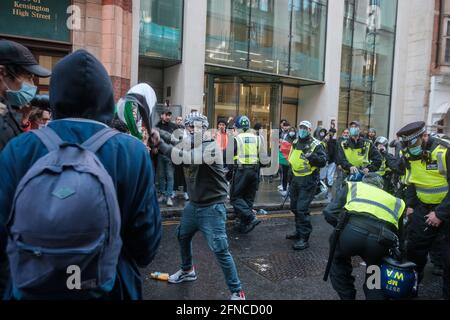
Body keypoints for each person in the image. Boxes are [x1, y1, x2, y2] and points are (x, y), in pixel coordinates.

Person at [0, 50, 162, 300]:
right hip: (112, 289)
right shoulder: (132, 153)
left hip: (32, 289)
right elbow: (146, 248)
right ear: (106, 99)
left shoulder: (19, 150)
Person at [157, 112, 245, 300]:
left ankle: (237, 291)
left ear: (205, 129)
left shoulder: (210, 147)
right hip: (194, 205)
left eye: (197, 127)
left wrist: (160, 145)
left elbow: (186, 158)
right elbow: (174, 139)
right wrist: (157, 132)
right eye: (190, 127)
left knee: (220, 249)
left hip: (212, 207)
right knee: (182, 235)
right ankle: (188, 270)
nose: (193, 130)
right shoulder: (189, 143)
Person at [0, 39, 52, 300]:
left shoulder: (9, 110)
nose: (31, 83)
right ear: (2, 73)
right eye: (26, 75)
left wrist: (22, 120)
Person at [323, 173, 406, 300]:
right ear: (381, 187)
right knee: (374, 273)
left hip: (351, 235)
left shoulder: (353, 186)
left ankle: (347, 296)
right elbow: (399, 236)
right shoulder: (397, 202)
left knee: (338, 260)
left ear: (364, 182)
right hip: (379, 243)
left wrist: (343, 228)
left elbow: (329, 212)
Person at [395, 121, 450, 300]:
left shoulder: (444, 151)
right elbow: (411, 182)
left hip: (446, 210)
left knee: (448, 258)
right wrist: (410, 205)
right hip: (422, 208)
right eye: (406, 145)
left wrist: (440, 213)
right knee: (414, 251)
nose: (410, 149)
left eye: (413, 144)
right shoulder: (408, 153)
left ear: (424, 136)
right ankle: (411, 291)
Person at [286, 121, 327, 250]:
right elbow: (292, 159)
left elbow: (322, 161)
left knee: (302, 209)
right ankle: (298, 231)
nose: (302, 130)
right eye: (301, 127)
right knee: (294, 207)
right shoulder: (295, 142)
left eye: (305, 128)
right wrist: (290, 176)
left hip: (308, 180)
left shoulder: (316, 144)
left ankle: (304, 238)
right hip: (295, 179)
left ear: (309, 130)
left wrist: (311, 156)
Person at [230, 115, 262, 234]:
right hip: (254, 171)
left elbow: (228, 156)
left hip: (242, 171)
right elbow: (264, 158)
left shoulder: (236, 138)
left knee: (235, 197)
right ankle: (243, 225)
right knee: (248, 199)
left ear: (237, 127)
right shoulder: (257, 138)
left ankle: (250, 217)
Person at [335, 121, 382, 192]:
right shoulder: (343, 144)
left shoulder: (367, 144)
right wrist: (349, 166)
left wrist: (369, 169)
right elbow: (341, 159)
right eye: (352, 127)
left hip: (364, 176)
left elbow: (378, 159)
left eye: (355, 127)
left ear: (360, 130)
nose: (353, 129)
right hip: (348, 175)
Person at [156, 110, 178, 206]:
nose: (168, 117)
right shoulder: (157, 125)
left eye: (170, 115)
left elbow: (177, 140)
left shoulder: (174, 126)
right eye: (166, 115)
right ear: (162, 115)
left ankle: (169, 196)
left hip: (170, 155)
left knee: (170, 176)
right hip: (160, 154)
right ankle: (162, 194)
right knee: (160, 176)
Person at [279, 127, 296, 196]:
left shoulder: (297, 140)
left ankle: (291, 189)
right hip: (285, 160)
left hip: (293, 161)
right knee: (285, 175)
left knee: (292, 175)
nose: (292, 132)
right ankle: (284, 188)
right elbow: (282, 148)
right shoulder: (286, 139)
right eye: (291, 131)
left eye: (293, 131)